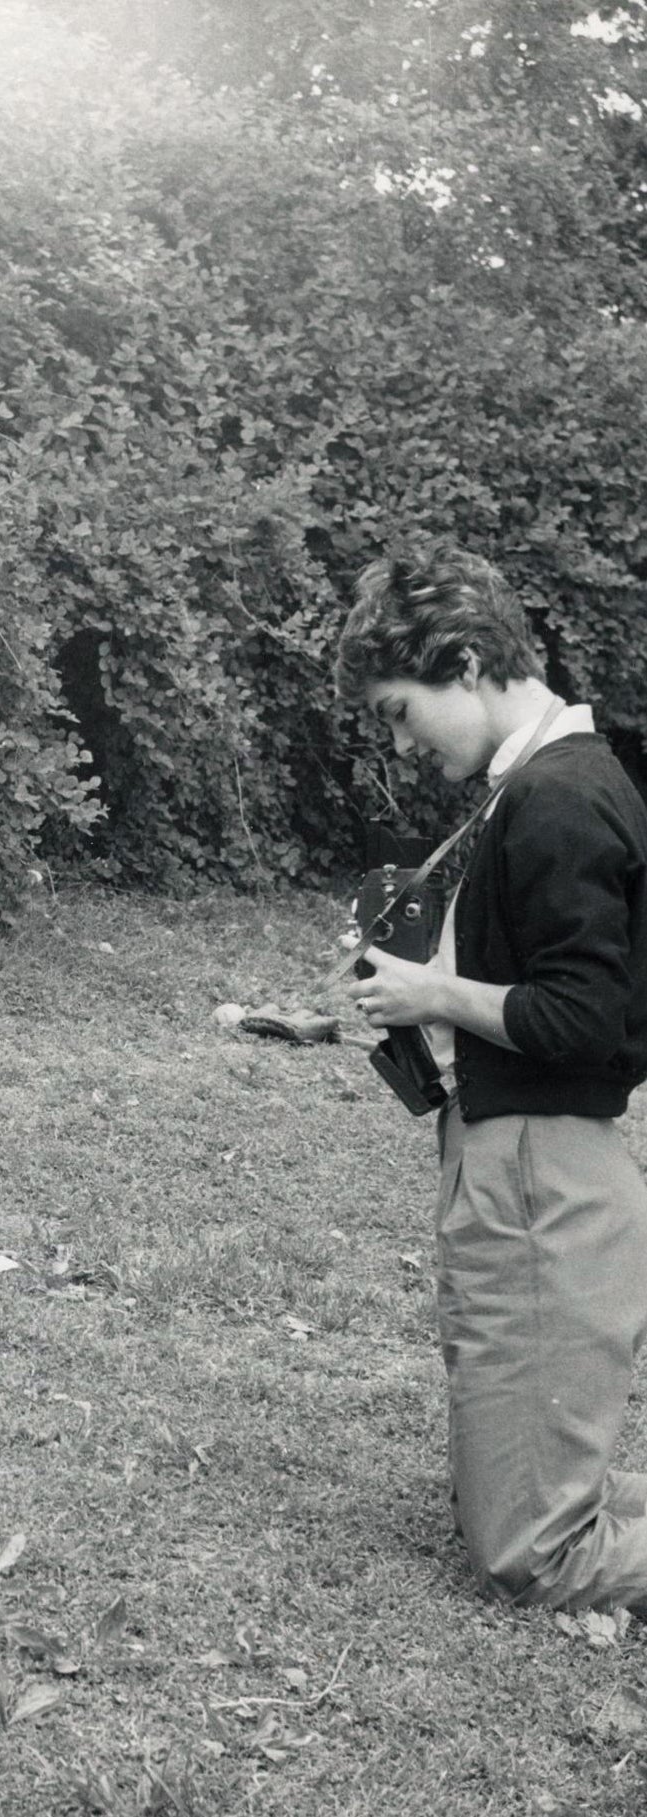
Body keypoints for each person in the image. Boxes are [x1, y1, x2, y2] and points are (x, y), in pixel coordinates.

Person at [338, 540, 647, 1611]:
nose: (397, 741)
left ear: (463, 661)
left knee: (529, 1553)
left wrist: (433, 997)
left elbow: (585, 1016)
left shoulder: (558, 797)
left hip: (541, 1179)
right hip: (520, 1160)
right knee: (506, 1505)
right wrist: (427, 975)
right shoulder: (539, 783)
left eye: (397, 708)